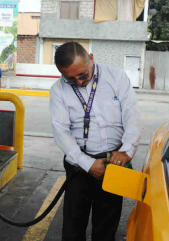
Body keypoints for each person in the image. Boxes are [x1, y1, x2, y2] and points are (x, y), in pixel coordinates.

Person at [50, 42, 141, 241]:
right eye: (71, 79)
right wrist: (88, 164)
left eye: (82, 75)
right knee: (73, 226)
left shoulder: (116, 77)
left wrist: (126, 151)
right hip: (78, 165)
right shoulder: (58, 90)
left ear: (91, 58)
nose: (79, 82)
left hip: (113, 163)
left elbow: (132, 116)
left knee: (106, 226)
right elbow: (61, 132)